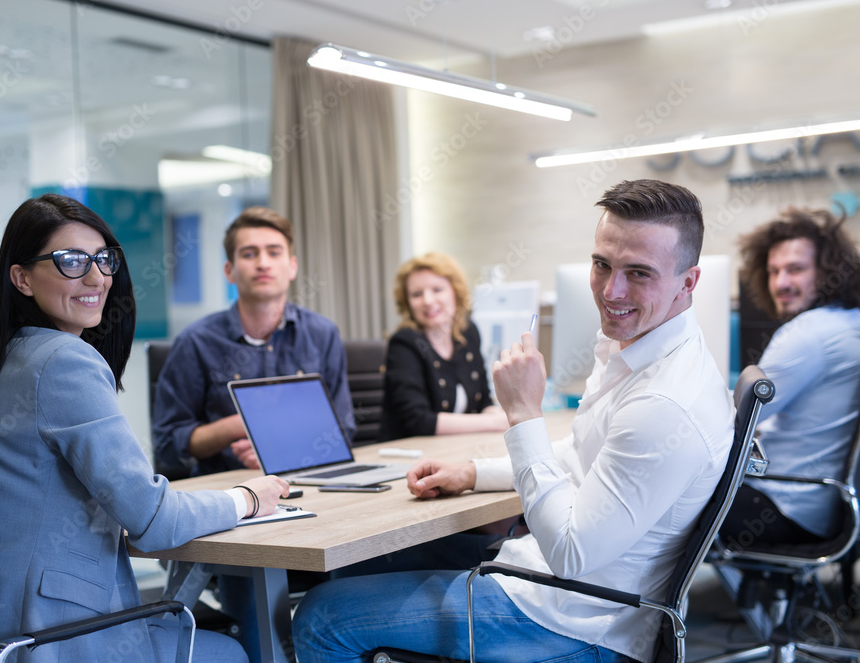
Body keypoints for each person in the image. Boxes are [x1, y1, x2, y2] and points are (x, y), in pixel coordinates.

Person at [292, 179, 735, 663]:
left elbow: (570, 554)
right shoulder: (640, 351)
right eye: (602, 265)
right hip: (561, 586)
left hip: (579, 622)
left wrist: (523, 412)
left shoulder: (664, 403)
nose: (612, 290)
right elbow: (582, 454)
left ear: (688, 282)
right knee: (367, 562)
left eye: (639, 273)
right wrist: (475, 473)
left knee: (322, 617)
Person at [0, 194, 288, 663]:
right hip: (52, 634)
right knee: (230, 653)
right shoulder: (63, 361)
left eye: (102, 260)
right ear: (21, 278)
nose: (96, 278)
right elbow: (154, 520)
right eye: (70, 261)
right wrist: (248, 498)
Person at [153, 206, 355, 477]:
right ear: (229, 270)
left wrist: (280, 448)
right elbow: (167, 445)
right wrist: (240, 425)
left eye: (274, 252)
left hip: (309, 479)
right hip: (226, 493)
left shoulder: (323, 333)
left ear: (292, 266)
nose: (263, 263)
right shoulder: (195, 342)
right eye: (249, 254)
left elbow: (343, 429)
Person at [720, 207, 860, 545]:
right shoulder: (850, 320)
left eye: (795, 269)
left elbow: (733, 419)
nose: (781, 283)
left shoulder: (809, 333)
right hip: (826, 508)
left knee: (660, 497)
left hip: (783, 506)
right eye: (773, 271)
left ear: (829, 271)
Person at [379, 252, 508, 441]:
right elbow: (418, 420)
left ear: (455, 292)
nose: (428, 301)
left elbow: (483, 401)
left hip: (455, 449)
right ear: (408, 304)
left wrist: (496, 414)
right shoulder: (404, 343)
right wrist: (493, 423)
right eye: (416, 294)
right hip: (409, 456)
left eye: (437, 289)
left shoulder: (468, 333)